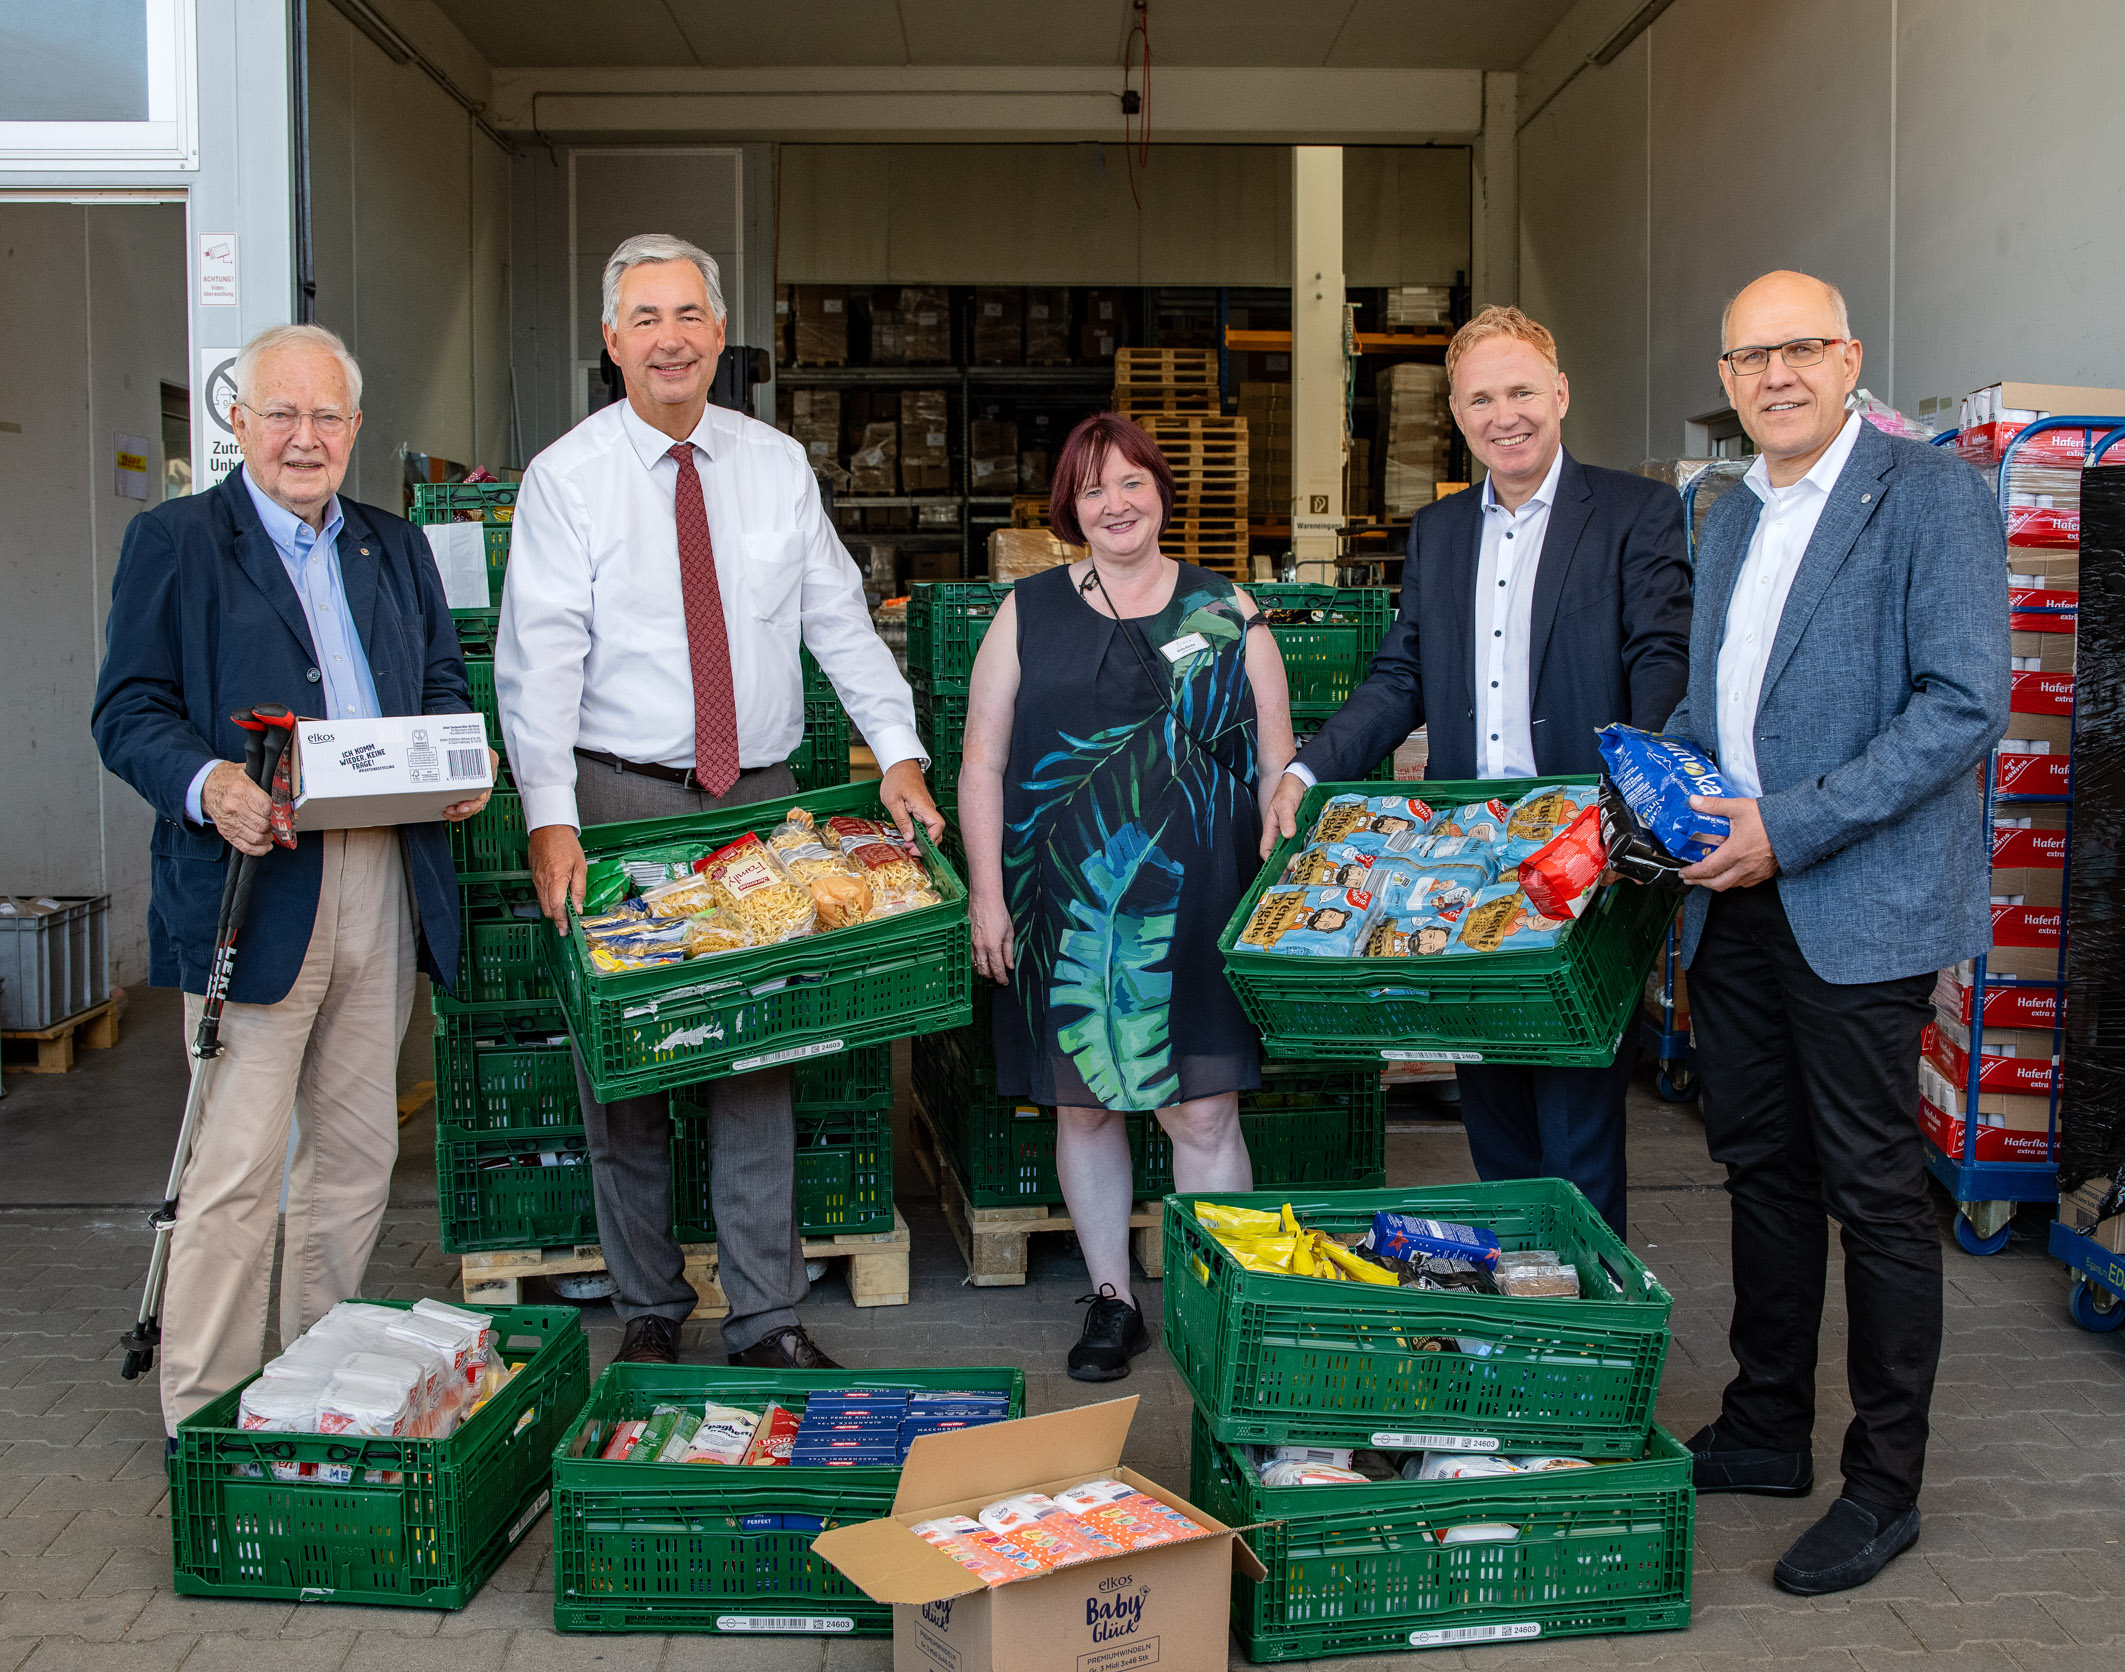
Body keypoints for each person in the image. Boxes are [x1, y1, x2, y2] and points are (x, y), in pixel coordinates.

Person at [498, 233, 943, 1371]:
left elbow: (839, 619)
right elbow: (535, 659)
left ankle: (764, 1315)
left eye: (688, 315)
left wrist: (895, 750)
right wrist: (550, 812)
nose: (669, 338)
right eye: (644, 318)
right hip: (622, 799)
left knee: (758, 1056)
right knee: (630, 1065)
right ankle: (650, 1304)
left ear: (718, 332)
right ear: (612, 340)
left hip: (758, 804)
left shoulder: (773, 464)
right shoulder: (568, 478)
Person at [1665, 270, 2008, 1596]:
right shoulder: (1730, 511)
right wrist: (1660, 787)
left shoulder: (1930, 497)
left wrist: (1786, 826)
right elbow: (1719, 707)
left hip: (1852, 897)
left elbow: (1959, 706)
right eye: (1748, 358)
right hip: (1733, 899)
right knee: (1761, 1168)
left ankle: (1883, 1483)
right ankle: (1763, 1428)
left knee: (1872, 1191)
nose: (1774, 376)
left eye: (1798, 349)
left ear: (1848, 355)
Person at [91, 323, 487, 1434]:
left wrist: (458, 759)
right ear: (239, 424)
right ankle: (206, 1415)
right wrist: (208, 778)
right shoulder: (175, 542)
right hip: (253, 885)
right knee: (236, 1168)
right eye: (282, 414)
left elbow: (444, 678)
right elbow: (126, 711)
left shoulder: (392, 546)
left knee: (358, 1155)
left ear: (354, 430)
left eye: (325, 418)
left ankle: (315, 1395)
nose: (304, 438)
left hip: (380, 870)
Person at [1264, 305, 1691, 1239]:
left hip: (1588, 852)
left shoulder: (1633, 513)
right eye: (1481, 399)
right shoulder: (1442, 530)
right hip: (1469, 862)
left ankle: (1581, 1340)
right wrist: (1306, 768)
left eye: (1522, 391)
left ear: (1561, 394)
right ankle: (1517, 1313)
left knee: (1576, 1115)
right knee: (1491, 1105)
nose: (1506, 415)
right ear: (1457, 416)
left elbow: (1663, 657)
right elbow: (1402, 676)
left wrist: (1633, 793)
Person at [960, 413, 1294, 1380]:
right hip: (1068, 903)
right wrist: (990, 895)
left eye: (1132, 483)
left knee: (1203, 1112)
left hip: (1203, 902)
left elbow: (1278, 768)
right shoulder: (1027, 610)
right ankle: (1112, 1300)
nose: (1115, 503)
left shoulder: (1229, 610)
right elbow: (981, 759)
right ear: (1070, 507)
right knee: (1088, 1107)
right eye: (1093, 488)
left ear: (1160, 493)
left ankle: (1222, 1295)